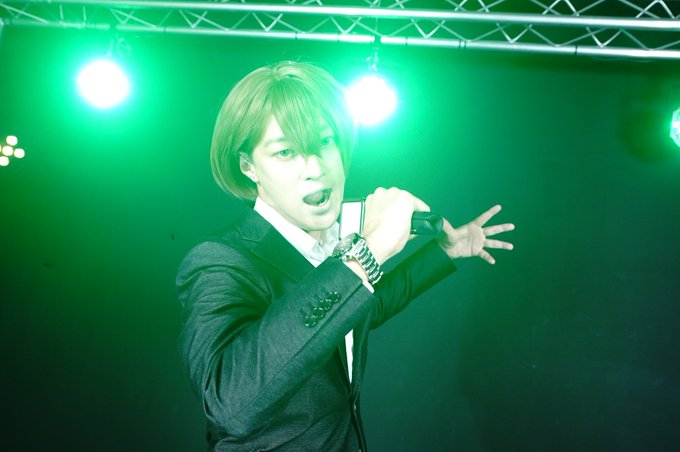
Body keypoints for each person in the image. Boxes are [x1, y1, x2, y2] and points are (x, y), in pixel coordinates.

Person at [176, 60, 514, 451]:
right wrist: (367, 251)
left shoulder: (327, 244)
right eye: (285, 152)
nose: (315, 168)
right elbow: (227, 403)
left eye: (325, 141)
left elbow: (362, 310)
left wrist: (444, 251)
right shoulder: (219, 260)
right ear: (249, 166)